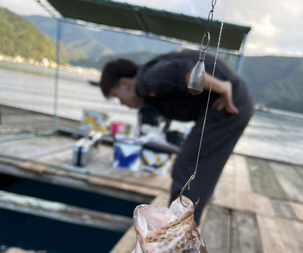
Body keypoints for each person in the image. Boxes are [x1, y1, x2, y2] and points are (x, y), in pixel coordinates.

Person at [100, 49, 253, 225]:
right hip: (230, 106)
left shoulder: (145, 79)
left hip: (228, 104)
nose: (122, 103)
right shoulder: (147, 87)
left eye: (117, 97)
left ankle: (177, 234)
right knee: (201, 170)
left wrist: (223, 88)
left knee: (188, 167)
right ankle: (180, 232)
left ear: (125, 83)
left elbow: (185, 72)